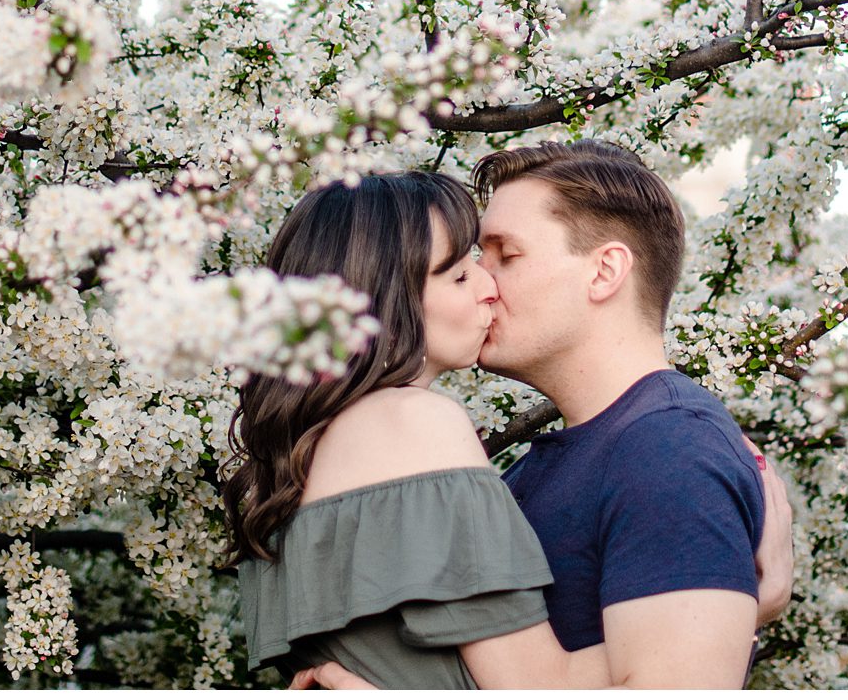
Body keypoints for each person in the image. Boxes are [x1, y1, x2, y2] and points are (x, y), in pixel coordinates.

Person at [276, 142, 795, 691]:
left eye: (506, 254)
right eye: (469, 263)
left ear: (604, 271)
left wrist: (721, 631)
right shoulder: (534, 469)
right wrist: (740, 619)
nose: (485, 282)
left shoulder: (669, 449)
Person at [221, 170, 612, 687]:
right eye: (456, 275)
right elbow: (541, 687)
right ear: (382, 302)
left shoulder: (291, 463)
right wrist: (740, 611)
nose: (489, 286)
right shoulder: (412, 422)